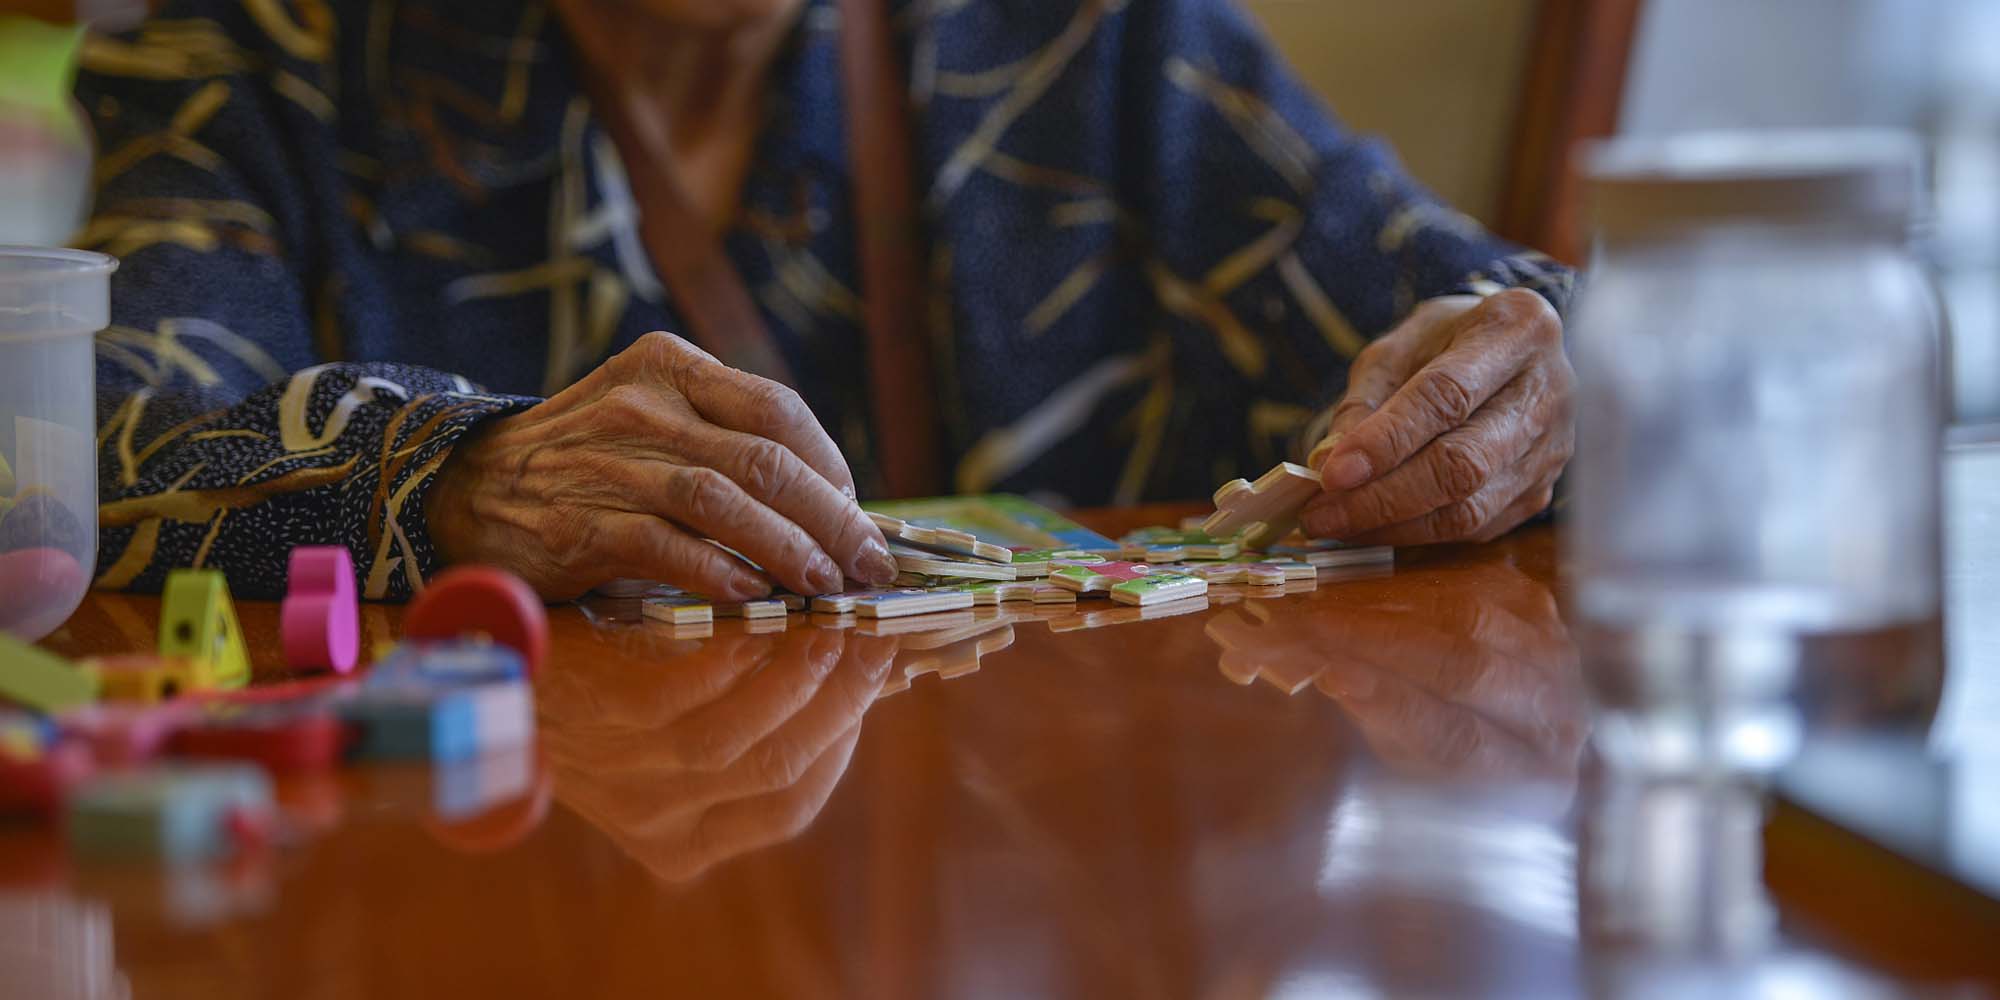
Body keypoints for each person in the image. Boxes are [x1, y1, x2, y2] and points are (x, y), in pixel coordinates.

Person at [76, 0, 1574, 602]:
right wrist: (447, 477)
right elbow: (85, 452)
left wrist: (1536, 379)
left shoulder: (1077, 38)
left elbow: (1490, 309)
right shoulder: (256, 54)